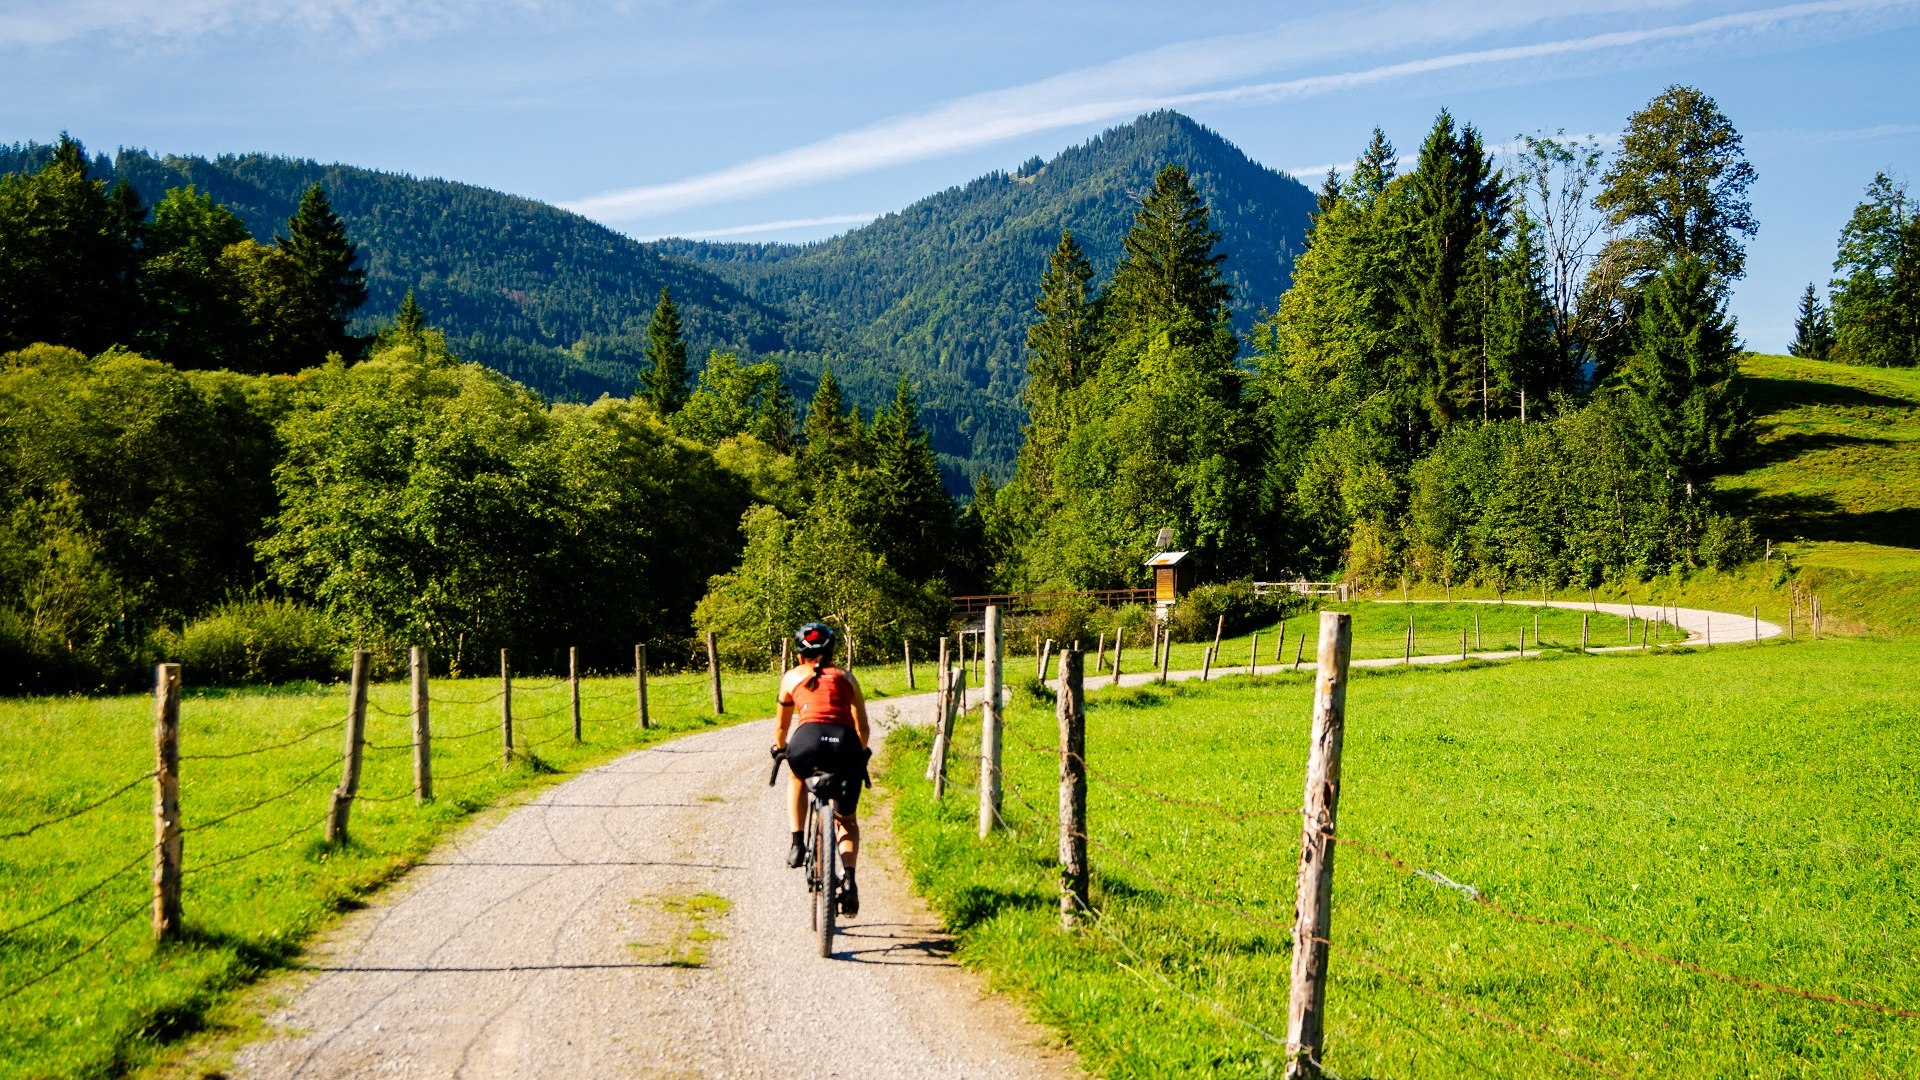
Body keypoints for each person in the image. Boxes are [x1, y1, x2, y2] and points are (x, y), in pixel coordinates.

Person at [772, 622, 871, 916]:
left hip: (807, 741)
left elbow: (781, 725)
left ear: (800, 654)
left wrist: (779, 748)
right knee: (847, 820)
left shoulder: (792, 677)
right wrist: (860, 754)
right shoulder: (846, 677)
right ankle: (850, 880)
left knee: (797, 775)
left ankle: (797, 842)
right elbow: (862, 726)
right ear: (832, 652)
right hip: (844, 745)